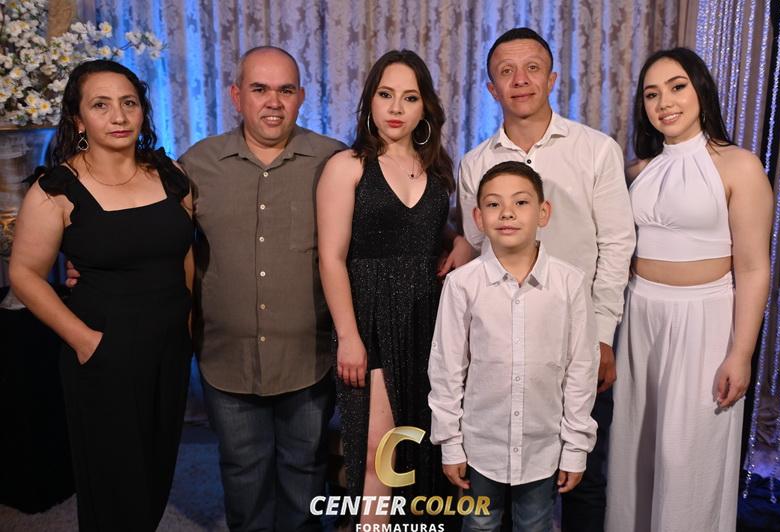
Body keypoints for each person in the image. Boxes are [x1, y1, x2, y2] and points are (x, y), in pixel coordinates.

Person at [455, 27, 636, 531]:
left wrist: (602, 333)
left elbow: (616, 245)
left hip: (579, 336)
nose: (520, 80)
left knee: (584, 473)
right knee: (496, 473)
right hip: (501, 344)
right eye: (506, 71)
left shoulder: (596, 150)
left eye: (532, 68)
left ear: (552, 78)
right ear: (491, 87)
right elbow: (477, 244)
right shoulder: (475, 163)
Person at [9, 59, 194, 531]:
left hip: (170, 350)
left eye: (129, 103)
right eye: (101, 105)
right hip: (104, 353)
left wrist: (189, 322)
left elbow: (186, 254)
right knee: (115, 488)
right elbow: (24, 275)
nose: (118, 116)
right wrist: (85, 341)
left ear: (142, 112)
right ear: (78, 120)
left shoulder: (170, 174)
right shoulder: (56, 191)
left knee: (154, 477)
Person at [605, 48, 772, 532]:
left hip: (705, 321)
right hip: (641, 315)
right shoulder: (637, 171)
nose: (665, 103)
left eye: (677, 87)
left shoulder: (739, 166)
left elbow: (753, 268)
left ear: (700, 89)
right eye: (651, 94)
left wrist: (741, 353)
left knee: (687, 456)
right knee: (637, 453)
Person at [180, 47, 344, 531]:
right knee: (242, 471)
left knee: (306, 468)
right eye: (259, 89)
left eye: (285, 90)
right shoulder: (197, 164)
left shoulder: (334, 160)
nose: (273, 102)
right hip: (226, 357)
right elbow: (157, 239)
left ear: (301, 97)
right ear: (237, 96)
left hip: (309, 357)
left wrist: (453, 239)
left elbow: (387, 218)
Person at [316, 49, 472, 526]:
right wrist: (349, 336)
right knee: (379, 452)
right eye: (386, 95)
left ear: (425, 107)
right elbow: (330, 257)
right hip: (372, 320)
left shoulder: (436, 169)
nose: (396, 108)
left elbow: (424, 228)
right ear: (370, 101)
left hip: (429, 319)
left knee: (424, 446)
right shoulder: (347, 166)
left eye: (409, 97)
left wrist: (459, 240)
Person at [429, 161, 600, 531]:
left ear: (543, 213)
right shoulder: (462, 285)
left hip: (543, 447)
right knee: (479, 525)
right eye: (494, 204)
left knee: (535, 524)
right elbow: (446, 371)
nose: (507, 213)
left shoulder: (569, 284)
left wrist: (575, 447)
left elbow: (581, 370)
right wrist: (450, 443)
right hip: (480, 447)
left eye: (521, 202)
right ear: (478, 217)